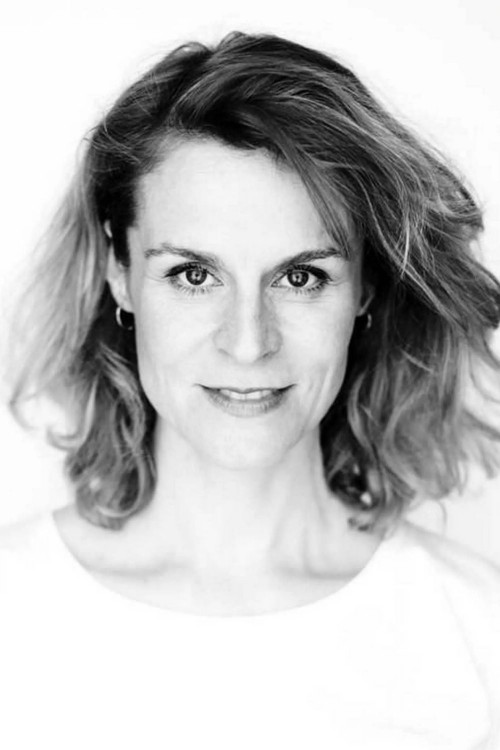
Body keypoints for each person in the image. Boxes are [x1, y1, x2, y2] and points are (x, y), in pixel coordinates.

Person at [1, 30, 500, 750]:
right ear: (120, 272)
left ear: (364, 287)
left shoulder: (478, 634)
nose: (247, 341)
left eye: (300, 277)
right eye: (193, 275)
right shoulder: (12, 614)